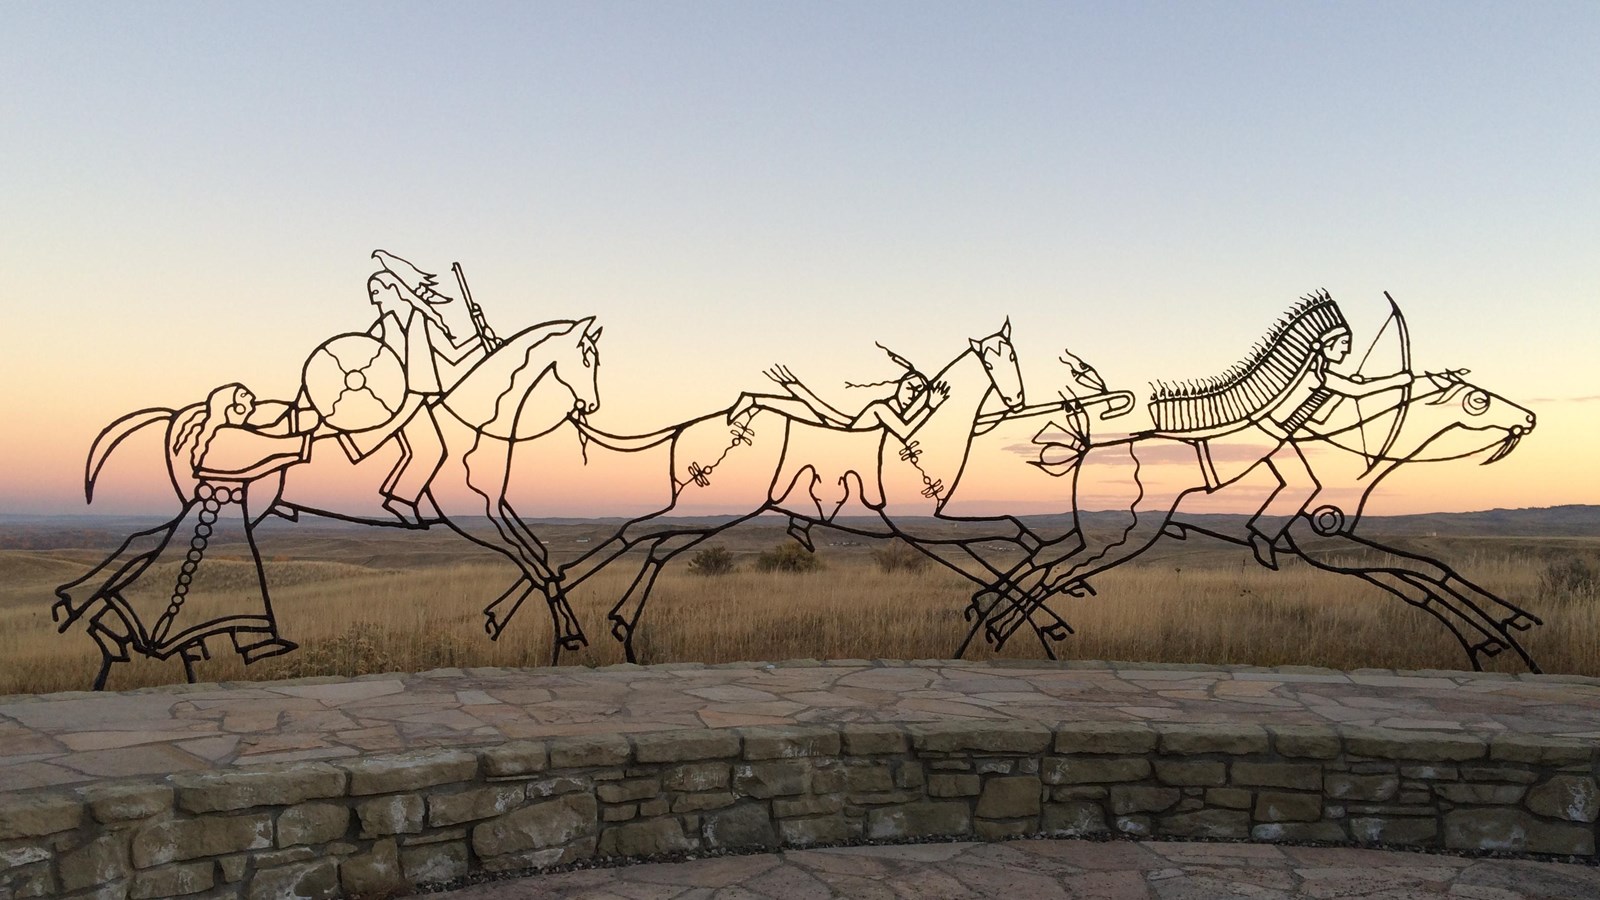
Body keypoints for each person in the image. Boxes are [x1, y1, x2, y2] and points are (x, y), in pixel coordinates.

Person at [56, 383, 319, 686]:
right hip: (210, 523)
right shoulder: (227, 437)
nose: (254, 408)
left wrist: (298, 423)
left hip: (219, 518)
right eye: (248, 402)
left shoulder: (228, 434)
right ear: (233, 407)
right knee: (182, 590)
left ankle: (239, 643)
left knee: (194, 590)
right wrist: (309, 429)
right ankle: (248, 642)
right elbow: (278, 448)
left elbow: (271, 448)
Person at [1148, 292, 1412, 569]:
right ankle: (1245, 532)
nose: (1346, 351)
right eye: (1343, 343)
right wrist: (1401, 379)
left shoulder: (1317, 375)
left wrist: (1339, 395)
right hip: (1266, 435)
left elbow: (1319, 419)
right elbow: (1359, 390)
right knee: (1232, 484)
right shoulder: (1315, 374)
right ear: (1325, 344)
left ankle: (1258, 534)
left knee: (1301, 485)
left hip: (1276, 434)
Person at [338, 252, 491, 526]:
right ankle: (399, 499)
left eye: (376, 291)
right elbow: (361, 358)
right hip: (398, 400)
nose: (374, 299)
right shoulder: (382, 327)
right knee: (429, 451)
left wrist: (481, 340)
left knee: (429, 451)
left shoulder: (422, 321)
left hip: (418, 396)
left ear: (393, 288)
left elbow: (454, 355)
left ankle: (400, 499)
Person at [731, 344, 950, 441]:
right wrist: (931, 406)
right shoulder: (882, 408)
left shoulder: (892, 412)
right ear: (900, 386)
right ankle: (754, 400)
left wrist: (800, 391)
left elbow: (837, 416)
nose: (913, 395)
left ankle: (755, 400)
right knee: (806, 410)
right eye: (910, 388)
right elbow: (904, 432)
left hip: (843, 429)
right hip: (842, 436)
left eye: (918, 393)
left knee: (808, 408)